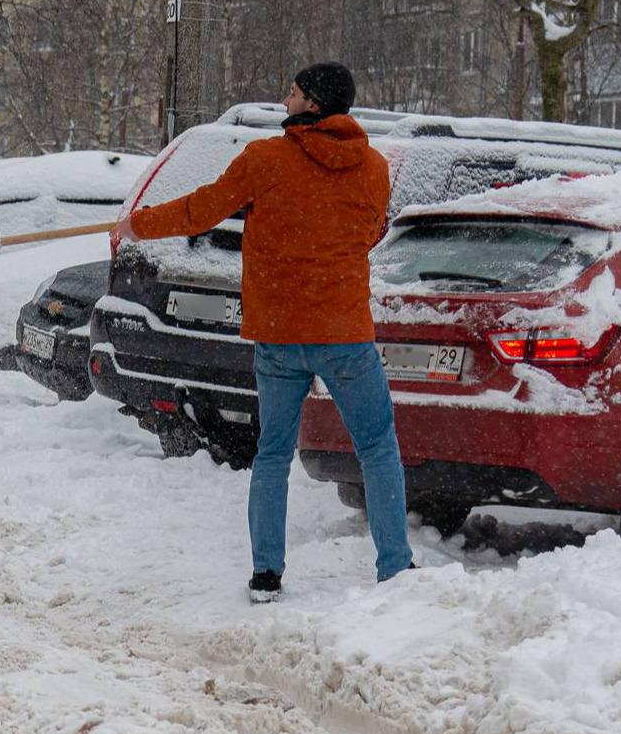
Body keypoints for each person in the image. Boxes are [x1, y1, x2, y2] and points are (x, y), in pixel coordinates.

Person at [114, 61, 413, 602]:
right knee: (377, 447)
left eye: (293, 92)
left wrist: (140, 222)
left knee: (273, 453)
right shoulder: (373, 167)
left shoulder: (266, 160)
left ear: (315, 104)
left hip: (279, 334)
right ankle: (396, 568)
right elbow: (369, 232)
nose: (285, 100)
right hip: (344, 332)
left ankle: (266, 573)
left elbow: (201, 210)